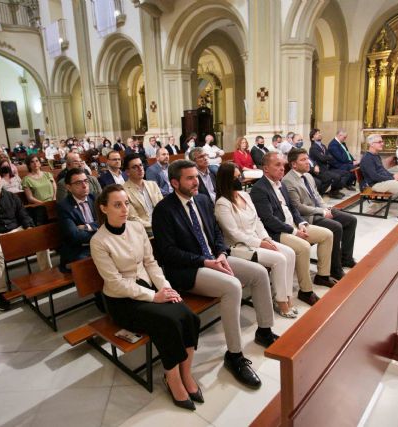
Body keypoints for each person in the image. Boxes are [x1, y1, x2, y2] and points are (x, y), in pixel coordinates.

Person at [152, 159, 277, 389]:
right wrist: (206, 261)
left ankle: (265, 330)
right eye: (189, 178)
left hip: (214, 258)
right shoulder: (164, 210)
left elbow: (217, 232)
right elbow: (168, 253)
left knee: (259, 273)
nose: (196, 181)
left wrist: (220, 253)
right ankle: (235, 356)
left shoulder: (201, 200)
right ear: (174, 182)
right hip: (189, 270)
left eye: (196, 177)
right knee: (232, 287)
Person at [92, 185, 202, 410]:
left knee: (189, 316)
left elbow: (151, 263)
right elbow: (115, 283)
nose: (124, 209)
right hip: (122, 301)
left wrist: (166, 289)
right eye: (117, 205)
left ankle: (186, 374)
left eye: (126, 203)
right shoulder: (99, 241)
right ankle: (172, 379)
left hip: (149, 289)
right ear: (104, 208)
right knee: (168, 322)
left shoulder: (136, 228)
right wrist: (154, 296)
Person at [249, 151, 336, 306]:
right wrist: (295, 232)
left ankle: (322, 275)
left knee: (327, 234)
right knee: (303, 247)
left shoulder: (281, 185)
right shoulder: (259, 189)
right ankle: (306, 291)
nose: (282, 168)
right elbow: (269, 220)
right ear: (265, 168)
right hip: (277, 232)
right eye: (277, 165)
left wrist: (301, 224)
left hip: (294, 226)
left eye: (283, 165)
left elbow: (293, 208)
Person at [214, 163, 298, 318]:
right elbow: (234, 234)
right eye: (236, 177)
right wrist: (260, 244)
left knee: (290, 253)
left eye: (240, 176)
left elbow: (258, 221)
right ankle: (281, 301)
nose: (240, 179)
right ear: (226, 180)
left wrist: (266, 238)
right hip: (239, 247)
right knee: (279, 259)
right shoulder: (222, 204)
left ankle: (287, 296)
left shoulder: (244, 195)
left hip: (257, 239)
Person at [0, 168, 52, 311]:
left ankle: (48, 277)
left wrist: (28, 227)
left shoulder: (12, 197)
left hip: (16, 231)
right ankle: (1, 292)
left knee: (39, 240)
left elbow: (24, 215)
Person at [283, 148, 357, 279]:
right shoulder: (288, 181)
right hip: (308, 216)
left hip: (318, 210)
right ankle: (334, 268)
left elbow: (317, 196)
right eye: (303, 160)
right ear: (294, 164)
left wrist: (326, 209)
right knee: (336, 227)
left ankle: (346, 258)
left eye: (308, 159)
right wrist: (321, 212)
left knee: (351, 220)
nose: (308, 162)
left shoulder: (308, 175)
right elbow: (298, 207)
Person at [360, 134, 398, 220]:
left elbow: (382, 171)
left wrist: (393, 175)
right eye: (379, 142)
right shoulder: (367, 158)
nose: (382, 143)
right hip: (376, 184)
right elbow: (374, 177)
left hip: (384, 181)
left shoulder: (376, 155)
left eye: (382, 141)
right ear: (372, 144)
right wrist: (392, 178)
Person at [56, 167, 98, 271]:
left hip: (99, 245)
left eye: (86, 181)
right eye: (78, 183)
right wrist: (99, 230)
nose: (84, 186)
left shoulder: (95, 198)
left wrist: (87, 227)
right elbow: (74, 236)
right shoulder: (64, 206)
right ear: (69, 187)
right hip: (79, 250)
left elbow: (107, 222)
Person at [123, 154, 164, 233]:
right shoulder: (124, 191)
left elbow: (163, 207)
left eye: (141, 165)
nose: (140, 169)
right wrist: (156, 225)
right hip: (144, 231)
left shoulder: (152, 184)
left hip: (162, 225)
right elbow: (133, 218)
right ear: (128, 172)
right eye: (135, 167)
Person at [309, 128, 354, 196]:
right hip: (320, 170)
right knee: (337, 177)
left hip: (327, 169)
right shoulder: (313, 148)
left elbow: (328, 156)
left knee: (346, 173)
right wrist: (327, 157)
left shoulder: (323, 146)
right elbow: (322, 158)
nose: (319, 134)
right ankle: (322, 193)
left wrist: (327, 157)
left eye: (319, 133)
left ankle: (334, 190)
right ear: (312, 138)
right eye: (316, 134)